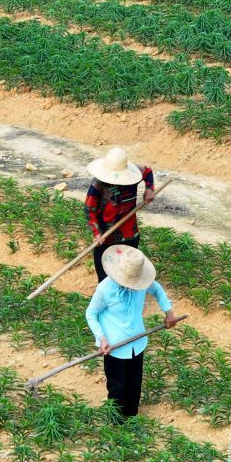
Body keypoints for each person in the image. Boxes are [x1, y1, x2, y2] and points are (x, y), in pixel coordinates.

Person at [85, 245, 183, 420]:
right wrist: (101, 338)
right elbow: (91, 313)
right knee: (117, 386)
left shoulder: (142, 282)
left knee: (134, 383)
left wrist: (169, 313)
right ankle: (116, 423)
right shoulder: (105, 289)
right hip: (115, 347)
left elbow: (157, 289)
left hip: (137, 342)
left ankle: (131, 417)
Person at [84, 147, 155, 282]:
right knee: (105, 281)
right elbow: (89, 208)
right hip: (106, 238)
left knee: (127, 277)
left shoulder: (134, 174)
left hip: (130, 236)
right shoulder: (98, 184)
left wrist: (149, 189)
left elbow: (148, 171)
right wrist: (97, 232)